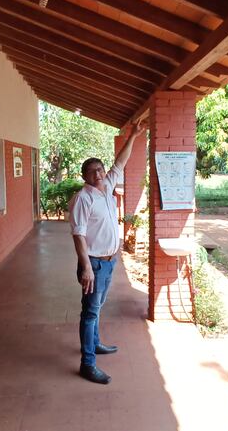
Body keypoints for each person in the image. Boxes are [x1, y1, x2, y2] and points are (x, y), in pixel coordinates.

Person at [69, 120, 145, 384]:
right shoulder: (84, 198)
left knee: (96, 308)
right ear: (85, 176)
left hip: (109, 262)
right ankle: (87, 363)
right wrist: (86, 267)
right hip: (94, 264)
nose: (99, 174)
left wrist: (133, 135)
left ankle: (95, 343)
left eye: (100, 169)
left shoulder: (107, 188)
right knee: (90, 312)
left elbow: (120, 162)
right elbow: (78, 234)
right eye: (92, 172)